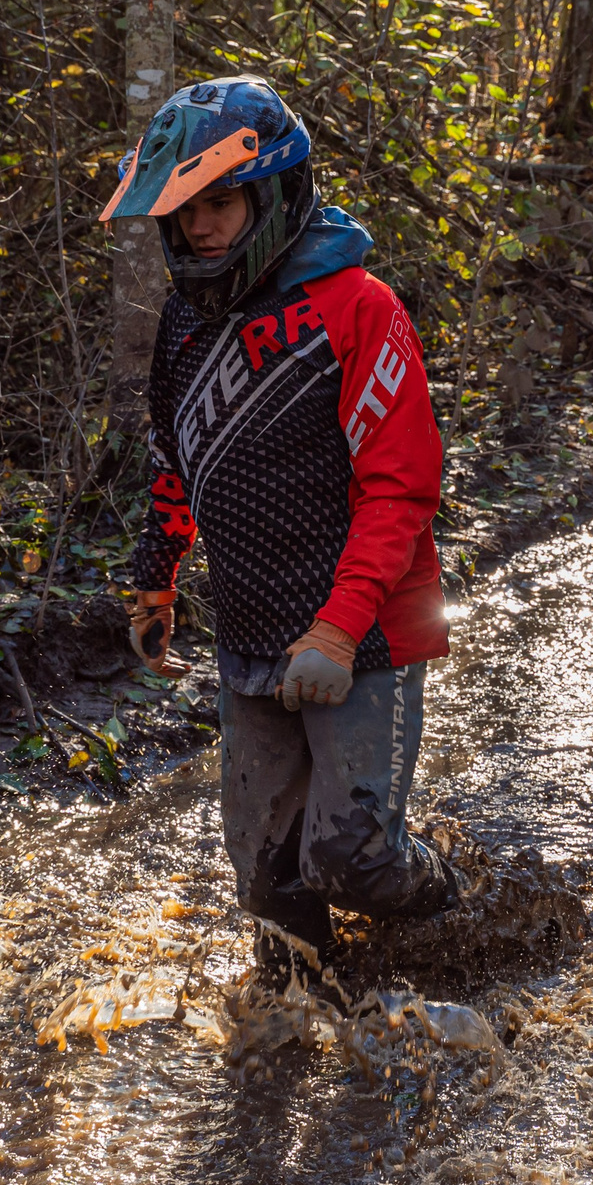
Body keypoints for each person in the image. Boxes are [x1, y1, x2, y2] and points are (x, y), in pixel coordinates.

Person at [102, 75, 458, 985]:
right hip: (253, 632)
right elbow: (176, 458)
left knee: (353, 857)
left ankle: (470, 912)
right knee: (268, 886)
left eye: (219, 202)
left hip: (362, 631)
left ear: (271, 193)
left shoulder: (359, 308)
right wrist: (157, 574)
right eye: (183, 211)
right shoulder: (186, 324)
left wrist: (337, 630)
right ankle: (302, 1038)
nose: (199, 228)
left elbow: (402, 489)